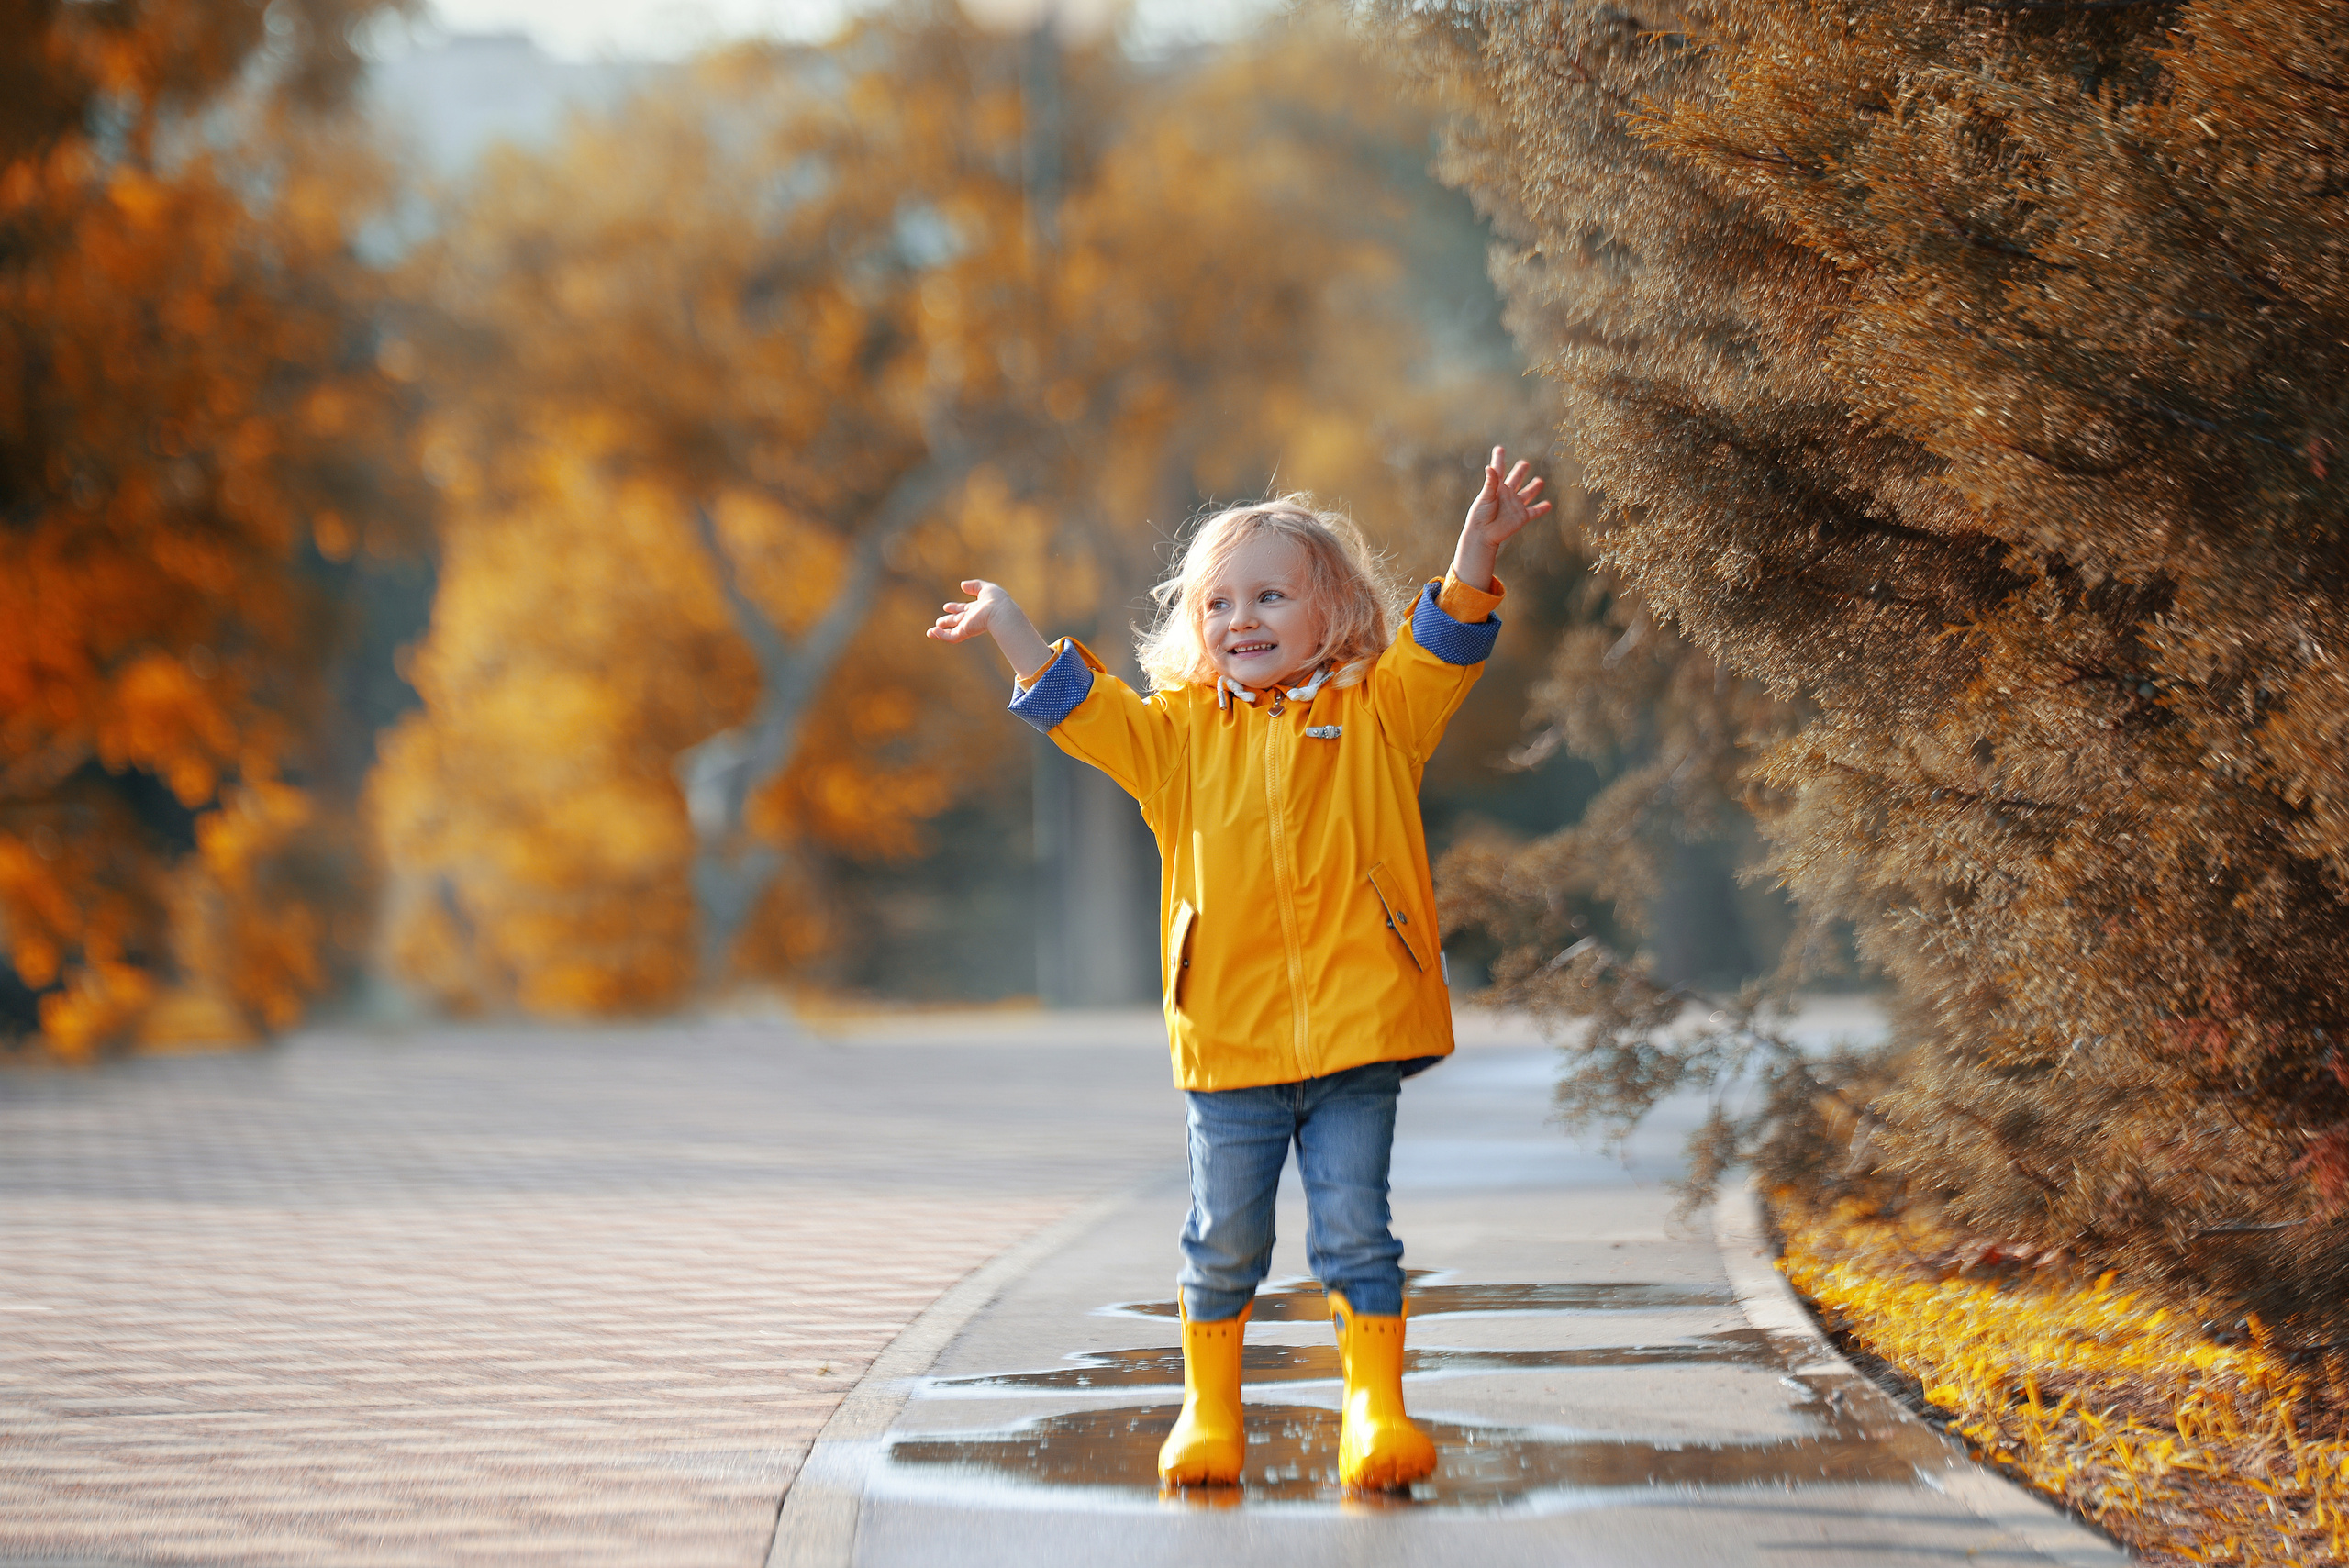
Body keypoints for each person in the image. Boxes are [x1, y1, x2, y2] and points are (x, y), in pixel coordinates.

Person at [925, 448, 1548, 1491]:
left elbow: (1445, 645)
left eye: (1270, 596)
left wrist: (1475, 554)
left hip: (1358, 1033)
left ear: (1332, 610)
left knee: (1357, 1231)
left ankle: (1374, 1409)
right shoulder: (1176, 741)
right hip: (1229, 1040)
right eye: (1218, 602)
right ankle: (1208, 1409)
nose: (1241, 619)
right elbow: (1083, 708)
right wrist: (1010, 626)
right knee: (1224, 1239)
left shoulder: (1380, 714)